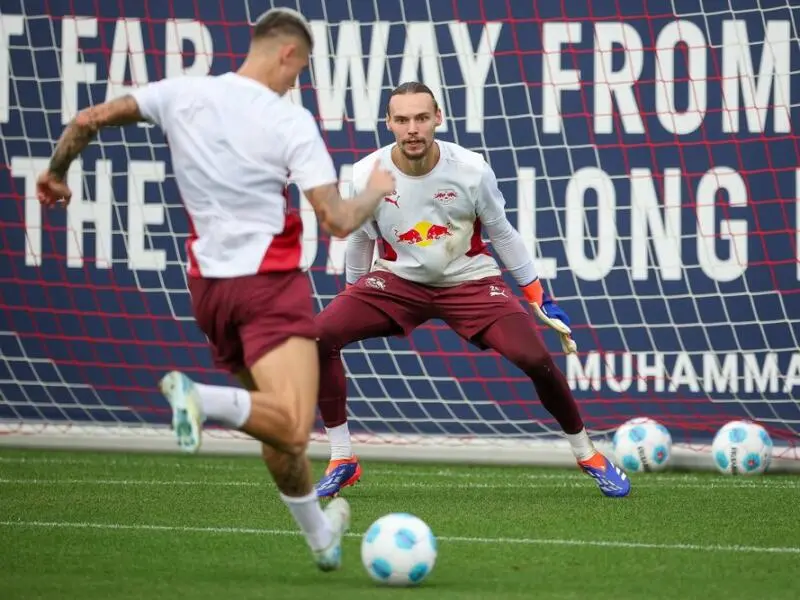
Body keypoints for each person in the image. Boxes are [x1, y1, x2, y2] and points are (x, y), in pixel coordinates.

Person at [35, 7, 396, 572]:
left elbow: (87, 119)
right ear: (286, 53)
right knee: (295, 423)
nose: (294, 82)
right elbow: (338, 220)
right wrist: (375, 189)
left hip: (209, 293)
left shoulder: (180, 93)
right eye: (298, 70)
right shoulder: (288, 121)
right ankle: (202, 401)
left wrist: (57, 172)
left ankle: (321, 537)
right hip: (270, 288)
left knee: (275, 427)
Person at [314, 81, 631, 499]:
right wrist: (353, 295)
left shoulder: (470, 169)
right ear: (388, 123)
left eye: (422, 118)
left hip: (470, 281)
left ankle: (587, 453)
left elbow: (501, 232)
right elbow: (359, 239)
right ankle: (342, 458)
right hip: (397, 283)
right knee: (316, 336)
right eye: (403, 119)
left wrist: (539, 295)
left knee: (534, 357)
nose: (413, 129)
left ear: (438, 119)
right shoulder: (366, 173)